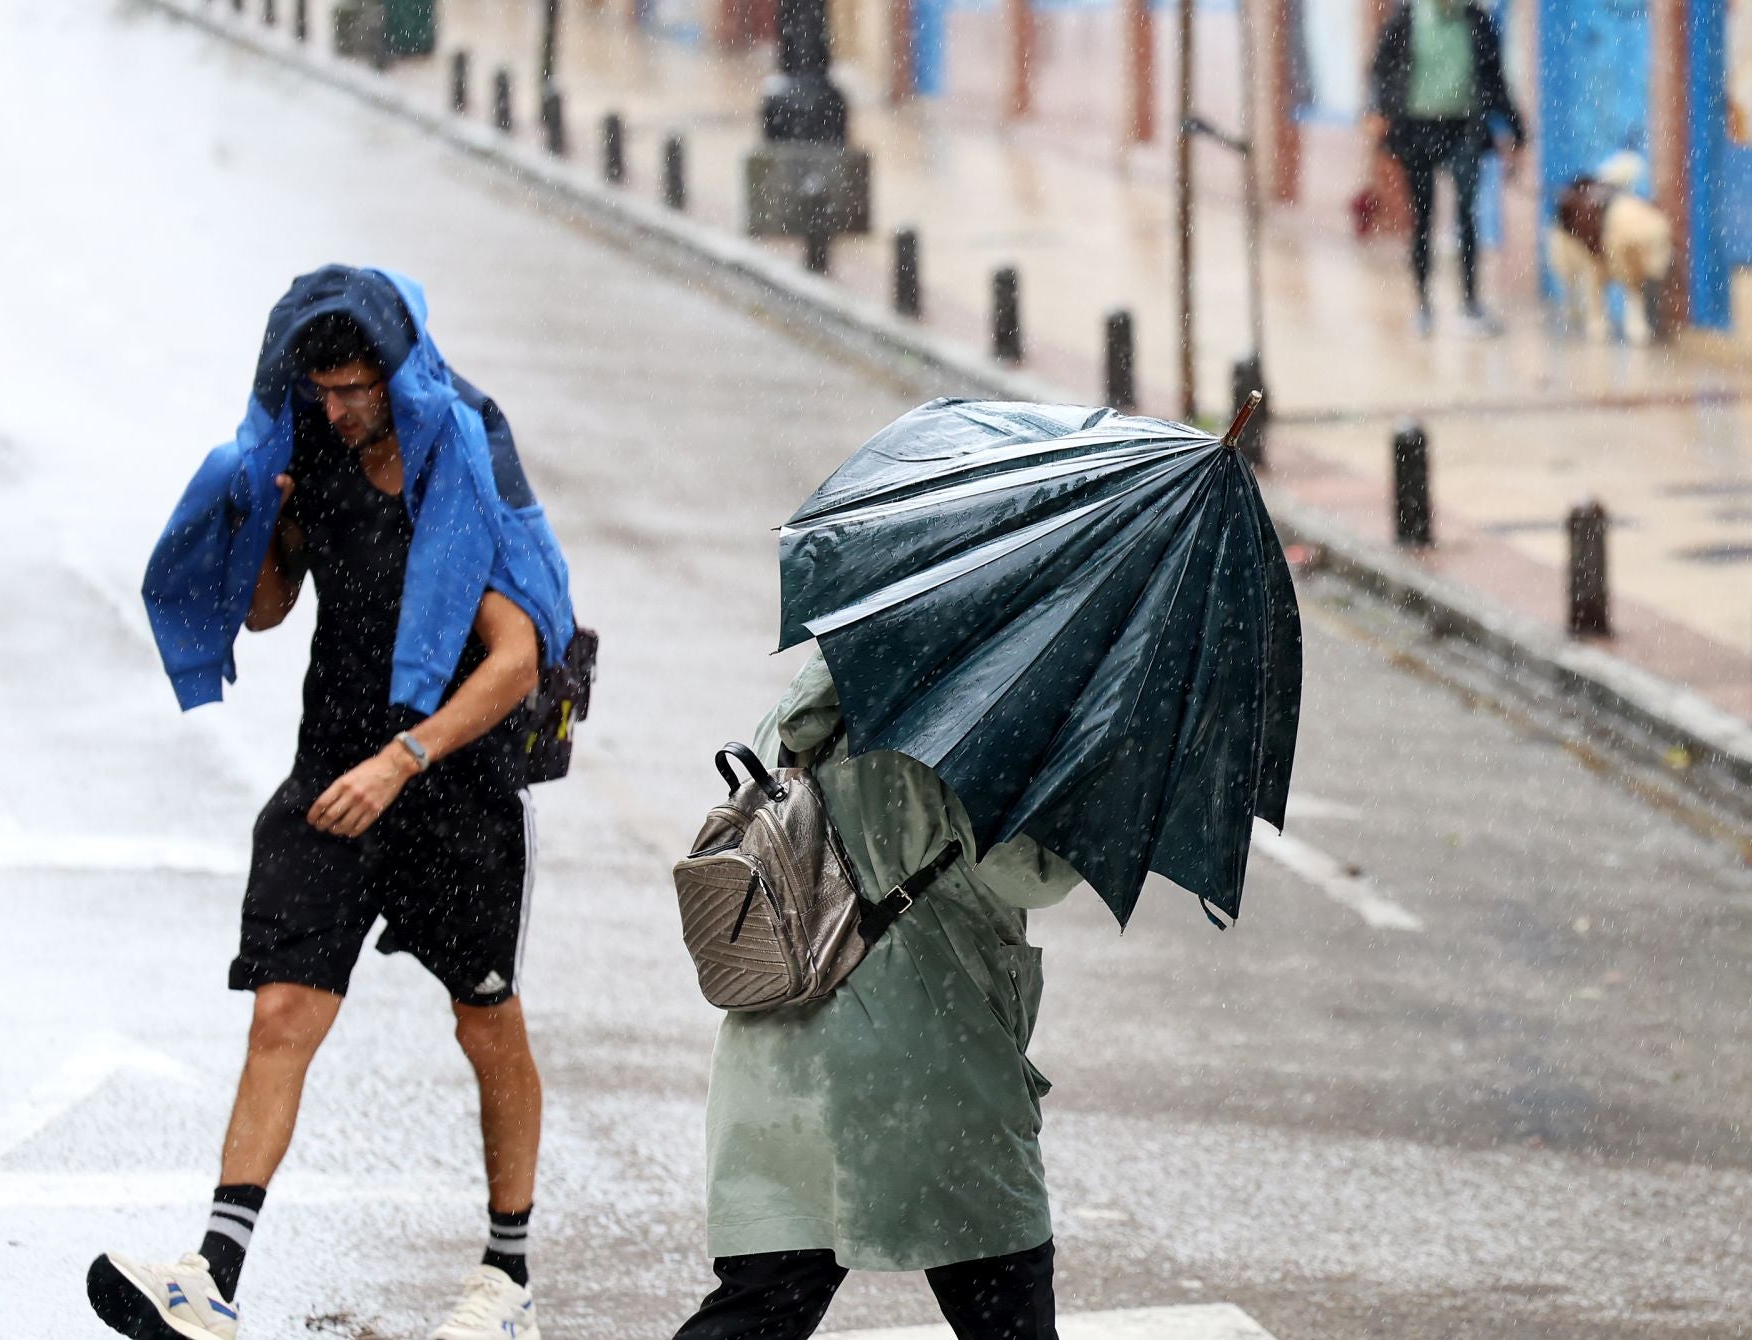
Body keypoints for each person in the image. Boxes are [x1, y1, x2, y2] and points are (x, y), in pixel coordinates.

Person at [93, 265, 575, 1340]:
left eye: (356, 389)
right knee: (282, 1008)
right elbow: (267, 612)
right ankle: (212, 1274)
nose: (340, 409)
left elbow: (513, 658)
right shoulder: (311, 449)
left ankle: (508, 1280)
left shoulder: (462, 456)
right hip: (332, 768)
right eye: (323, 390)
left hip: (453, 786)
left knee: (484, 1017)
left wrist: (405, 756)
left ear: (394, 374)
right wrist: (262, 527)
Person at [672, 650, 1079, 1340]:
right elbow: (1030, 875)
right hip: (930, 1070)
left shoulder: (801, 709)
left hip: (779, 1067)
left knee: (760, 1306)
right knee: (1005, 1306)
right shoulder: (976, 723)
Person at [1368, 0, 1526, 335]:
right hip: (1417, 129)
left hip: (1464, 129)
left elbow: (1495, 78)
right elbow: (1381, 69)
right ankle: (1423, 304)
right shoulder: (1408, 18)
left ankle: (1470, 304)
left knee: (1467, 214)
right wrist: (1378, 109)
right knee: (1422, 217)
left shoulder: (1475, 21)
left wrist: (1515, 129)